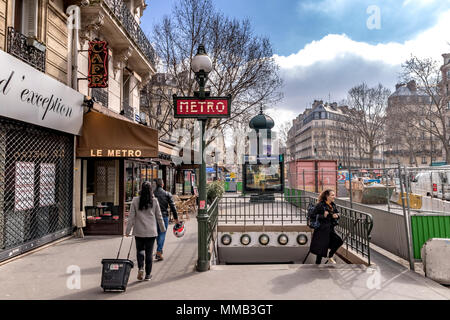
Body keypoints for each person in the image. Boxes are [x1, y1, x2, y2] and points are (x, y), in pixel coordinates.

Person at [126, 181, 166, 281]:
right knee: (149, 253)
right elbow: (159, 217)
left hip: (139, 231)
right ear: (151, 190)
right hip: (151, 232)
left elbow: (131, 217)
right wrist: (162, 228)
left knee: (140, 250)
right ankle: (148, 275)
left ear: (141, 189)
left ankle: (141, 268)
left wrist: (127, 231)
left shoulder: (135, 200)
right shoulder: (155, 201)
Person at [309, 189, 344, 264]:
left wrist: (337, 215)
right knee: (320, 250)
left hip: (330, 229)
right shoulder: (320, 205)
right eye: (332, 195)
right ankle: (317, 266)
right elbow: (312, 215)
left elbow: (338, 213)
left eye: (334, 195)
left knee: (339, 241)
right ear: (327, 196)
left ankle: (330, 255)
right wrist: (323, 215)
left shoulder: (333, 204)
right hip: (321, 230)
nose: (334, 196)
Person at [153, 178, 179, 261]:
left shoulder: (152, 194)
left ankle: (159, 250)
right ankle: (159, 251)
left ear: (156, 185)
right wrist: (176, 218)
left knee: (157, 234)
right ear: (162, 185)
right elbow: (173, 207)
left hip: (153, 217)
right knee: (162, 234)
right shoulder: (167, 194)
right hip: (164, 216)